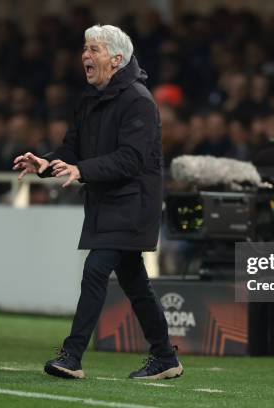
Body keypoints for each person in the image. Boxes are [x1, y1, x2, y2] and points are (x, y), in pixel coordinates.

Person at [12, 24, 183, 380]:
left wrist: (81, 168)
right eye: (85, 49)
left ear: (117, 59)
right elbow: (71, 148)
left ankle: (71, 356)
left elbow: (131, 160)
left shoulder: (139, 101)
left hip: (133, 204)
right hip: (106, 201)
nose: (85, 56)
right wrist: (45, 164)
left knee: (95, 271)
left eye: (94, 50)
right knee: (135, 283)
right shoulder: (90, 97)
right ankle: (165, 356)